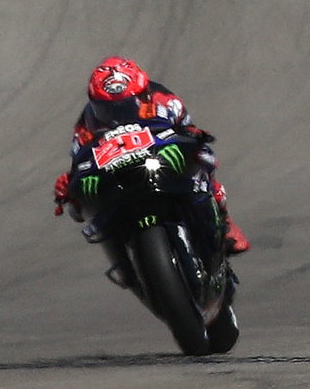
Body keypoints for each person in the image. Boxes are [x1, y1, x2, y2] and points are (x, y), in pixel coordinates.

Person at [52, 57, 251, 270]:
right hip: (119, 174)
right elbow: (79, 158)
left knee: (203, 161)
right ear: (94, 102)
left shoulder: (163, 99)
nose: (118, 114)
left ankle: (224, 221)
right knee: (84, 206)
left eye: (127, 105)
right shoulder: (86, 124)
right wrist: (69, 184)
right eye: (107, 109)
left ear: (142, 93)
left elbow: (186, 127)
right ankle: (122, 260)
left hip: (157, 158)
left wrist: (192, 137)